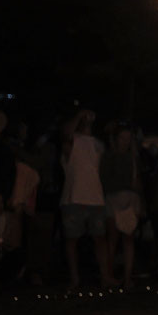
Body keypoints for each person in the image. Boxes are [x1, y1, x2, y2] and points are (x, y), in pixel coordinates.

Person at [60, 109, 117, 290]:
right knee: (72, 239)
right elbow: (66, 134)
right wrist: (78, 115)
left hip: (96, 198)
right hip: (73, 198)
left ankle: (105, 276)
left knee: (100, 238)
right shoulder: (71, 141)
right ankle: (75, 279)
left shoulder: (98, 144)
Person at [100, 124, 144, 290]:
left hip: (130, 200)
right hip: (114, 199)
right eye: (122, 138)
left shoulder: (133, 158)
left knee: (128, 238)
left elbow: (138, 181)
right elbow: (105, 181)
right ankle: (109, 276)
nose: (125, 141)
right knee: (113, 238)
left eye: (128, 138)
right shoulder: (109, 157)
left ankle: (127, 277)